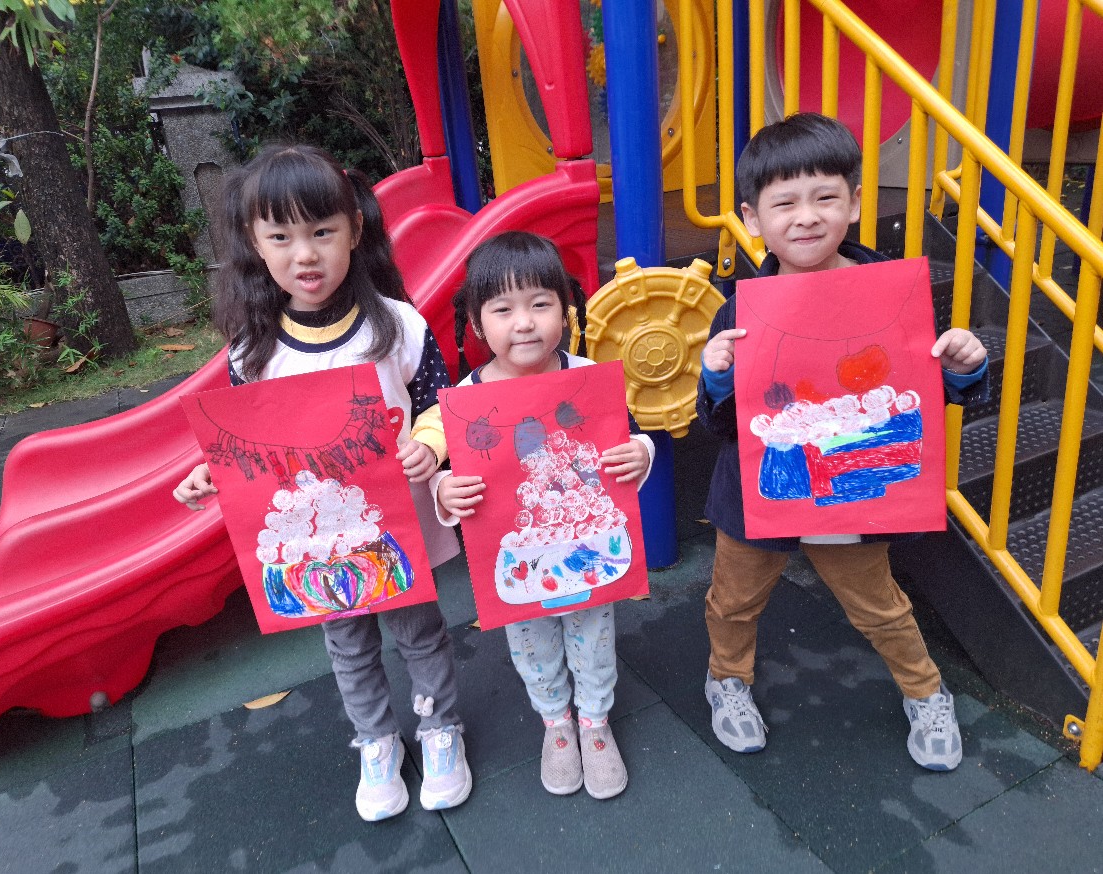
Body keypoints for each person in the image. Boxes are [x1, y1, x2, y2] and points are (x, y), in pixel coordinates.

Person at [172, 144, 472, 821]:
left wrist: (429, 445)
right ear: (253, 242)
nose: (304, 254)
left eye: (321, 231)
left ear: (355, 230)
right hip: (317, 537)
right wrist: (212, 471)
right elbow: (248, 443)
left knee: (419, 630)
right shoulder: (254, 350)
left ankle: (439, 727)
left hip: (396, 524)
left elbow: (438, 401)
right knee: (347, 640)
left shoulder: (397, 325)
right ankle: (376, 740)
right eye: (280, 237)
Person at [697, 113, 989, 772]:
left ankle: (925, 692)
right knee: (734, 600)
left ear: (853, 204)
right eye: (784, 204)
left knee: (878, 605)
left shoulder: (891, 295)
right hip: (761, 493)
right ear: (752, 218)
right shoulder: (738, 311)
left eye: (825, 197)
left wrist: (962, 367)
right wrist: (714, 378)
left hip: (853, 489)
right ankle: (726, 679)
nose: (806, 217)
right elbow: (719, 426)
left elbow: (919, 393)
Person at [432, 231, 654, 799]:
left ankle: (595, 724)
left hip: (586, 547)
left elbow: (628, 440)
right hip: (521, 555)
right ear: (478, 324)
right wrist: (444, 491)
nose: (524, 323)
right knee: (531, 644)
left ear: (565, 308)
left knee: (593, 636)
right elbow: (448, 471)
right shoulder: (467, 398)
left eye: (539, 303)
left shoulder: (587, 376)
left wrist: (641, 452)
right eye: (503, 310)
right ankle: (556, 723)